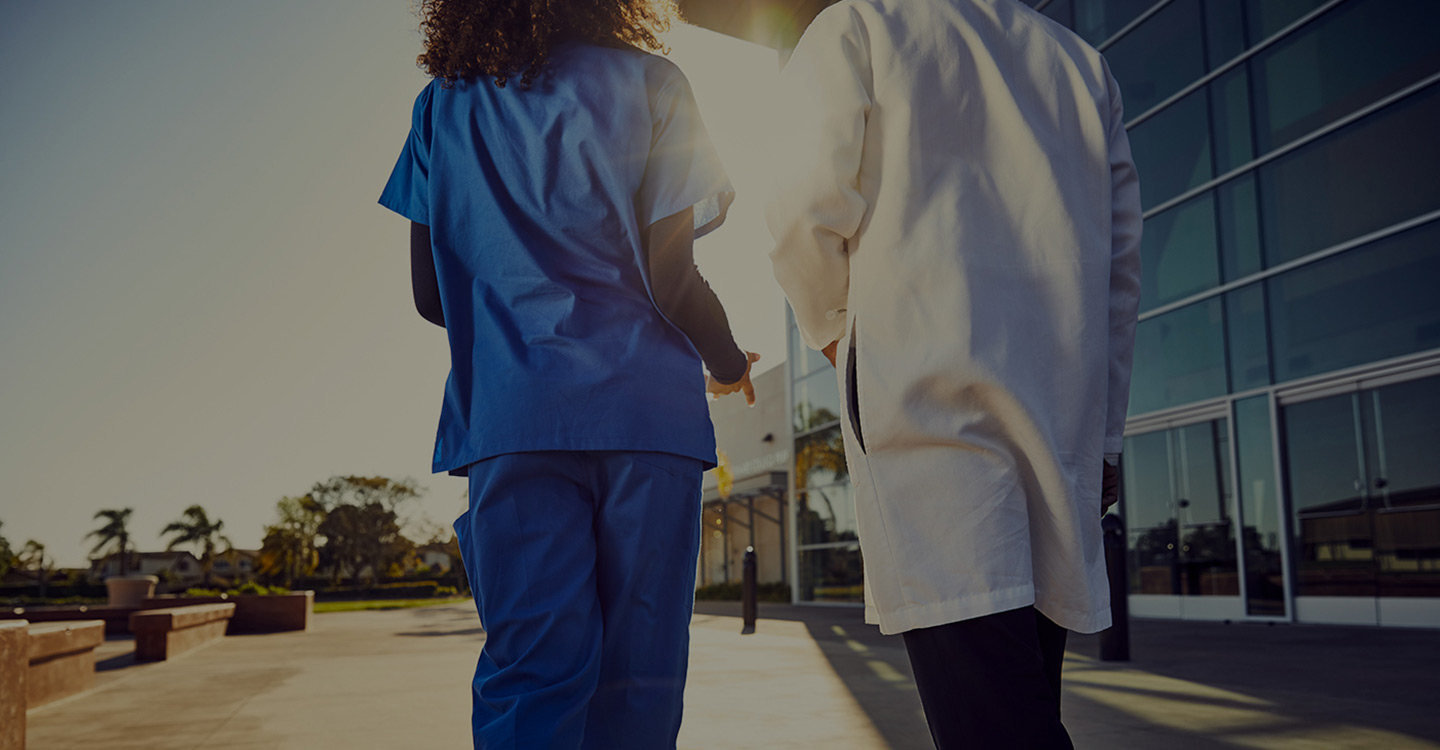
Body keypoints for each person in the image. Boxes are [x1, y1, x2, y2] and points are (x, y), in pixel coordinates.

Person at [378, 1, 758, 746]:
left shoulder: (440, 107)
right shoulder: (655, 83)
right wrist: (725, 361)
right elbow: (672, 279)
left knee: (530, 676)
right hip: (647, 424)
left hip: (510, 423)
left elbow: (432, 297)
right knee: (640, 680)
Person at [765, 0, 1142, 747]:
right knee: (1022, 698)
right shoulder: (1083, 66)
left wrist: (840, 339)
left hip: (926, 409)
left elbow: (802, 212)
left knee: (992, 722)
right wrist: (1104, 438)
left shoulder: (859, 26)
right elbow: (1120, 277)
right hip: (1054, 416)